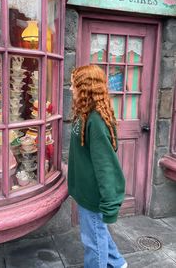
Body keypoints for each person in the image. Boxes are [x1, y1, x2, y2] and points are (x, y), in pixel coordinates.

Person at [68, 65, 127, 268]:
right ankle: (118, 263)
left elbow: (106, 166)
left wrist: (110, 205)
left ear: (85, 88)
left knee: (93, 242)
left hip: (94, 196)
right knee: (97, 232)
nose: (70, 88)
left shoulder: (96, 121)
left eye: (74, 84)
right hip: (85, 191)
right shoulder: (84, 114)